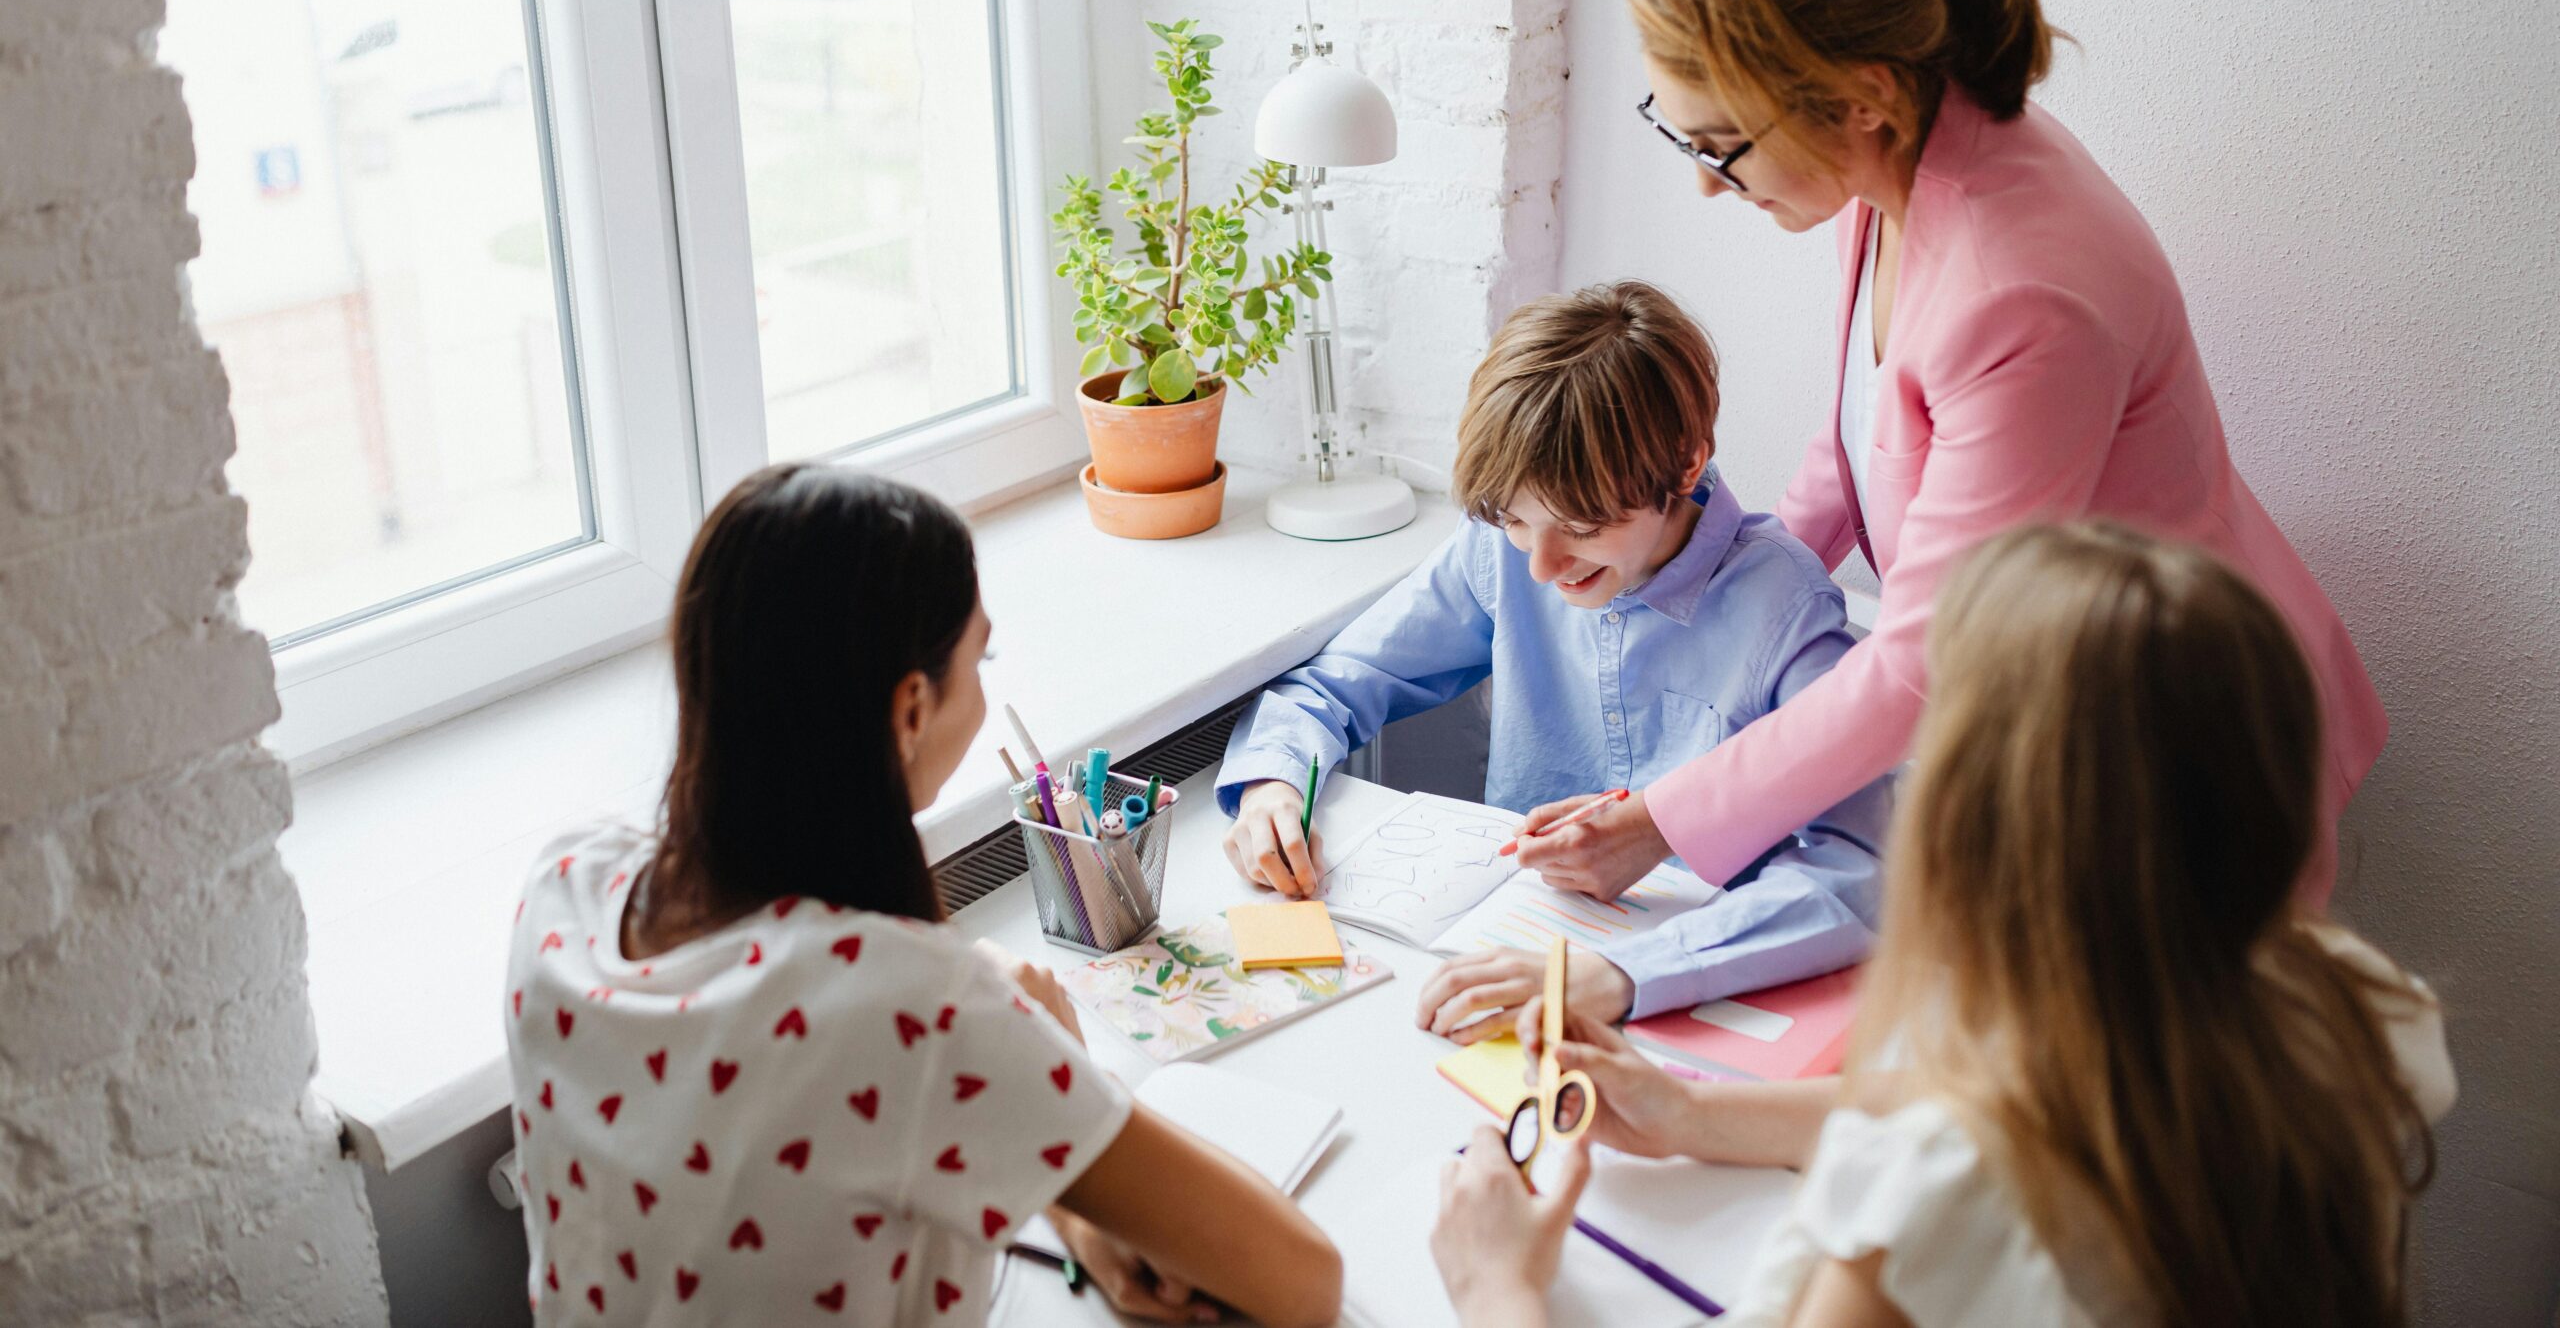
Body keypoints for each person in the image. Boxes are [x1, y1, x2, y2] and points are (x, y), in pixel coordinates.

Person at [1514, 0, 2387, 909]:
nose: (1706, 182)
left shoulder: (2020, 293)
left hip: (2175, 737)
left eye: (1721, 147)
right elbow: (1850, 451)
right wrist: (1706, 576)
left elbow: (1927, 662)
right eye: (1683, 133)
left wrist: (1661, 823)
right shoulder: (1886, 162)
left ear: (1861, 97)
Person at [1437, 522, 2451, 1328]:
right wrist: (1695, 1118)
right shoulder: (2355, 1005)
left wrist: (1498, 1293)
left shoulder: (1933, 1204)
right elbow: (2014, 1095)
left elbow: (1974, 1133)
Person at [501, 465, 1341, 1328]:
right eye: (978, 658)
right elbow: (1305, 1280)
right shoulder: (911, 1008)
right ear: (909, 709)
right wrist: (1062, 1066)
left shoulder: (563, 890)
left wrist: (1067, 1196)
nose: (982, 686)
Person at [1217, 280, 1894, 1035]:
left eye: (1581, 525)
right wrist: (1272, 784)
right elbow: (1335, 685)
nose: (1540, 565)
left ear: (1684, 462)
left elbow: (1862, 872)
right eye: (1513, 519)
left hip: (1693, 999)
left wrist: (1625, 975)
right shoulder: (1499, 554)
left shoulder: (1786, 608)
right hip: (1499, 964)